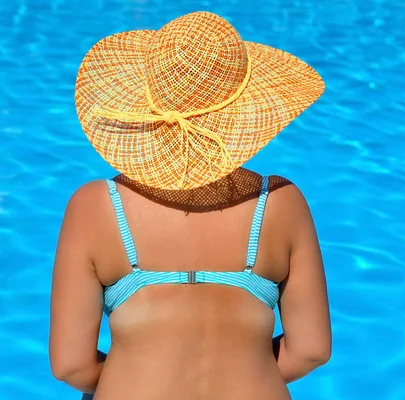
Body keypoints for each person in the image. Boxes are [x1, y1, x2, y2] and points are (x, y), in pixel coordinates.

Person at [49, 11, 331, 400]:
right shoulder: (280, 202)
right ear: (243, 111)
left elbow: (71, 365)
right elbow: (311, 350)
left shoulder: (96, 206)